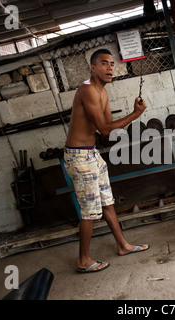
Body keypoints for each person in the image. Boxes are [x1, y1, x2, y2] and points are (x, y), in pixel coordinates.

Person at [64, 48, 149, 273]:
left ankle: (123, 245)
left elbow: (106, 133)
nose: (110, 67)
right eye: (104, 63)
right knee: (90, 212)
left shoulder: (103, 93)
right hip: (79, 157)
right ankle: (83, 260)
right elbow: (103, 127)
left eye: (112, 64)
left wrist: (130, 122)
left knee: (107, 202)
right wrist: (135, 115)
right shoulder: (87, 90)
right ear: (93, 68)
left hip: (91, 154)